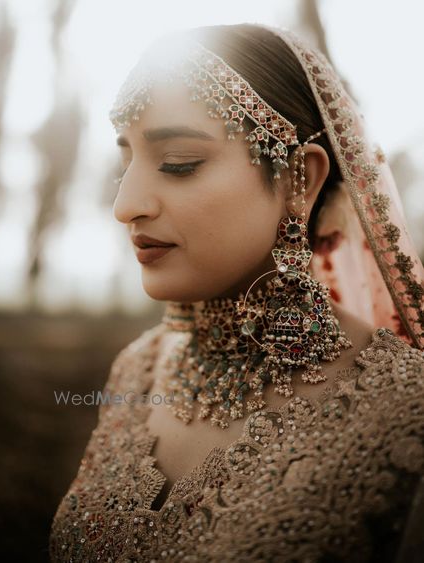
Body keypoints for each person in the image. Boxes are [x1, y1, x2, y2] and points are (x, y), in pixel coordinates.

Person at [49, 24, 424, 562]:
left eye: (179, 162)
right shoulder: (137, 371)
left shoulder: (407, 408)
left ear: (301, 178)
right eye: (123, 162)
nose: (126, 204)